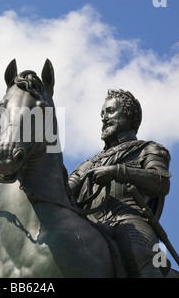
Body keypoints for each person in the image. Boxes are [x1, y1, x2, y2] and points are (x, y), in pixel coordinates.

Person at [68, 89, 171, 277]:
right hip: (87, 224)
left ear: (129, 115)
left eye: (110, 111)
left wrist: (117, 172)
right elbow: (62, 195)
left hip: (128, 220)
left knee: (143, 260)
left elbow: (161, 183)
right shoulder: (87, 164)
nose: (104, 118)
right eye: (102, 114)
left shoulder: (148, 149)